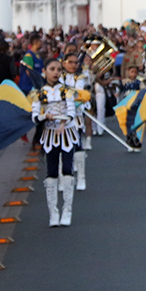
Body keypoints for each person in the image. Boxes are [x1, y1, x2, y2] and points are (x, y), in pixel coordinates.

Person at [33, 58, 79, 227]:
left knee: (67, 169)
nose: (55, 72)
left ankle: (67, 210)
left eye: (58, 69)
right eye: (52, 69)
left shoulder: (67, 91)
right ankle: (53, 213)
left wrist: (62, 122)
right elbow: (35, 115)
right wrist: (46, 116)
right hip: (50, 135)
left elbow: (72, 111)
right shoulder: (39, 93)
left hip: (67, 133)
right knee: (51, 172)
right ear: (45, 71)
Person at [58, 52, 89, 191]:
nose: (73, 65)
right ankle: (61, 178)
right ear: (64, 63)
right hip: (60, 115)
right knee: (59, 147)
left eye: (76, 63)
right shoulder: (58, 76)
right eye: (70, 62)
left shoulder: (80, 77)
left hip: (75, 115)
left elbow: (79, 92)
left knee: (77, 146)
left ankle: (81, 177)